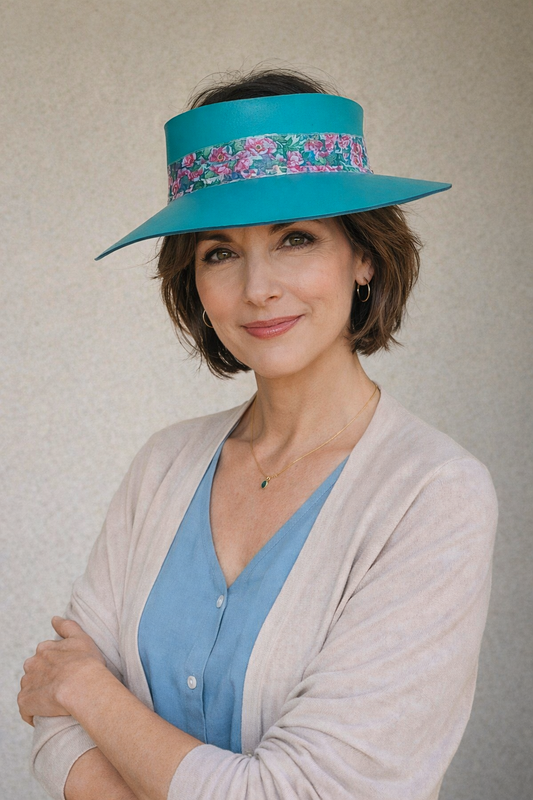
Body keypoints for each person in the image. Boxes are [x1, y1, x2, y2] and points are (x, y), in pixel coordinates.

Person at [18, 67, 498, 800]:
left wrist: (89, 688)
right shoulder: (163, 465)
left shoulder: (433, 495)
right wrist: (74, 700)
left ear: (362, 255)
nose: (257, 288)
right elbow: (52, 731)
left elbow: (302, 794)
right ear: (195, 281)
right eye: (220, 252)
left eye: (295, 238)